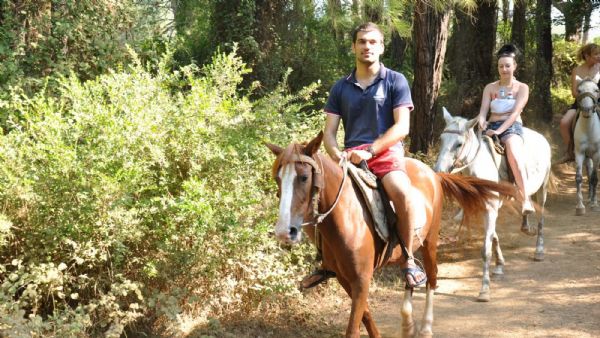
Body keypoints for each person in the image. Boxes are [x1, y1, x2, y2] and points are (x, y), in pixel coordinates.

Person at [301, 22, 426, 289]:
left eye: (372, 42)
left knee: (402, 193)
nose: (366, 46)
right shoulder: (340, 87)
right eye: (361, 42)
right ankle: (326, 262)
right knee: (318, 199)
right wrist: (336, 155)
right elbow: (330, 133)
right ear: (353, 47)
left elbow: (402, 127)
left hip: (385, 155)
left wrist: (370, 151)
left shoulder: (395, 80)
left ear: (381, 47)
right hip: (350, 158)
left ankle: (408, 259)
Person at [477, 44, 534, 216]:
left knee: (514, 155)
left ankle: (526, 199)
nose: (504, 69)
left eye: (508, 66)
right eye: (501, 66)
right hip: (491, 126)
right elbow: (483, 112)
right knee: (467, 149)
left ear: (514, 66)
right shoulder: (490, 88)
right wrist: (481, 122)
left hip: (511, 126)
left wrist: (499, 131)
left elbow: (515, 112)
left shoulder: (522, 88)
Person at [557, 43, 600, 164]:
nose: (599, 56)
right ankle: (570, 152)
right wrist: (585, 97)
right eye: (596, 54)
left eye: (599, 53)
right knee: (564, 123)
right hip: (580, 103)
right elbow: (574, 92)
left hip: (598, 102)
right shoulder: (577, 70)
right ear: (586, 56)